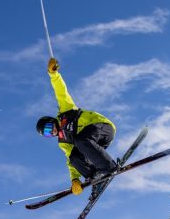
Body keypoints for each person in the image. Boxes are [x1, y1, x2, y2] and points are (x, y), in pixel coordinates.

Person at [37, 58, 117, 196]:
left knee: (80, 140)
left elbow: (60, 91)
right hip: (92, 146)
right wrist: (75, 179)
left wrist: (53, 74)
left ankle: (109, 168)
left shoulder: (65, 112)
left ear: (52, 121)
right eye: (48, 133)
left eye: (50, 127)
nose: (52, 131)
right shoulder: (63, 142)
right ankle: (96, 177)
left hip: (102, 128)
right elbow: (71, 162)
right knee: (74, 158)